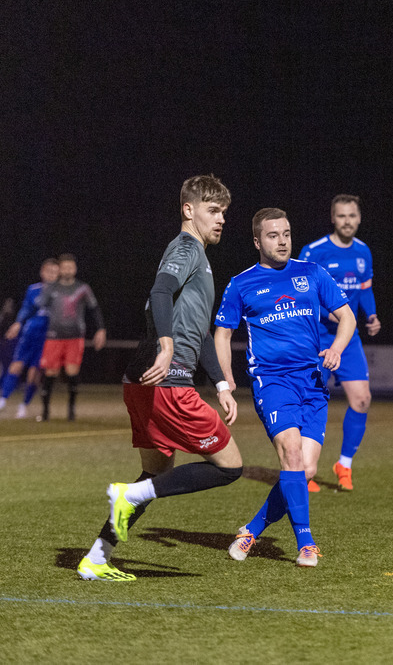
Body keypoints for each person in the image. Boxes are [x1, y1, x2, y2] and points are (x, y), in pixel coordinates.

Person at [77, 174, 242, 582]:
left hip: (142, 379)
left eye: (224, 212)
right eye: (212, 210)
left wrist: (221, 383)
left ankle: (97, 556)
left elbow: (201, 332)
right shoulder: (186, 248)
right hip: (167, 380)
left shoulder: (200, 257)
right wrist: (167, 344)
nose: (221, 219)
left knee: (155, 474)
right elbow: (160, 290)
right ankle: (127, 496)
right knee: (230, 467)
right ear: (188, 210)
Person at [214, 207, 355, 568]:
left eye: (287, 234)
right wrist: (225, 382)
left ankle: (251, 529)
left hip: (313, 382)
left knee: (305, 470)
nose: (282, 241)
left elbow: (347, 316)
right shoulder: (241, 283)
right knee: (290, 453)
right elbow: (223, 333)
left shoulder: (311, 273)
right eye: (273, 235)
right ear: (257, 240)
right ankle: (306, 543)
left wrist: (336, 348)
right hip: (272, 381)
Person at [298, 194, 380, 491]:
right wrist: (325, 313)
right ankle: (303, 469)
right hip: (317, 337)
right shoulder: (314, 251)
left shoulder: (363, 252)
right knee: (311, 401)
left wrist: (370, 315)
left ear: (359, 218)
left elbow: (365, 289)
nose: (348, 221)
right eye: (342, 216)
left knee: (361, 399)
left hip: (349, 338)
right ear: (333, 218)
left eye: (353, 216)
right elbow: (301, 294)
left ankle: (343, 465)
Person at [36, 254, 107, 421]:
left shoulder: (82, 288)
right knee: (50, 371)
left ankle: (71, 410)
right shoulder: (51, 288)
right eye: (64, 267)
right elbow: (38, 306)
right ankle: (45, 412)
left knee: (71, 371)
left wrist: (101, 329)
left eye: (71, 267)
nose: (67, 270)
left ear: (75, 269)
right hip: (53, 336)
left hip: (75, 337)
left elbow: (94, 309)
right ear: (59, 269)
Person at [0, 258, 59, 418]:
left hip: (47, 337)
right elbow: (26, 309)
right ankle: (2, 401)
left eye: (54, 272)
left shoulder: (60, 293)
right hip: (30, 333)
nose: (51, 275)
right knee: (16, 366)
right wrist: (18, 323)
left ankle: (23, 405)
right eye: (48, 271)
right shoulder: (33, 290)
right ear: (42, 272)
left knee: (34, 372)